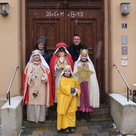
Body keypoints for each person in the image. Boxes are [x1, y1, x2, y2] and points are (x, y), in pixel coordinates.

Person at [22, 49, 52, 123]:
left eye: (37, 55)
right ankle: (32, 118)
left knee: (41, 100)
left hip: (42, 85)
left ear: (40, 57)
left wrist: (45, 77)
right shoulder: (29, 65)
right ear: (32, 57)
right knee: (33, 99)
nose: (36, 57)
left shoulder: (44, 65)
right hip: (32, 86)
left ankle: (41, 118)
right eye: (34, 55)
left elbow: (48, 74)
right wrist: (29, 77)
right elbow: (25, 76)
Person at [73, 49, 99, 121]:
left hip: (88, 83)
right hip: (79, 83)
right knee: (80, 97)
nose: (83, 57)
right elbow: (75, 74)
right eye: (82, 56)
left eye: (85, 56)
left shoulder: (90, 64)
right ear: (80, 57)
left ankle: (87, 113)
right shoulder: (77, 64)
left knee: (87, 96)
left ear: (87, 57)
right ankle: (80, 112)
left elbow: (93, 75)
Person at [57, 65, 80, 133]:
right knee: (64, 113)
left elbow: (78, 87)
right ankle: (65, 126)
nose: (67, 72)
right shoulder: (62, 79)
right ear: (64, 72)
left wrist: (76, 91)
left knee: (71, 112)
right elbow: (63, 89)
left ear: (70, 72)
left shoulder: (74, 79)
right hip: (64, 99)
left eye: (68, 71)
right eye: (66, 71)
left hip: (72, 99)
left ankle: (72, 126)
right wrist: (70, 90)